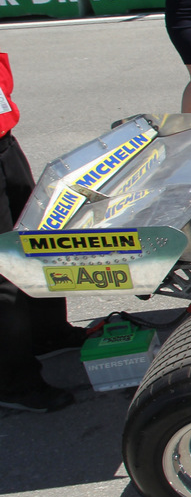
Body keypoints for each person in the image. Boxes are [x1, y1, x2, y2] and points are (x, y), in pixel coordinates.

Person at [0, 52, 86, 414]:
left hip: (3, 137)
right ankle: (12, 382)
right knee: (5, 269)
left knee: (37, 238)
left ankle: (47, 332)